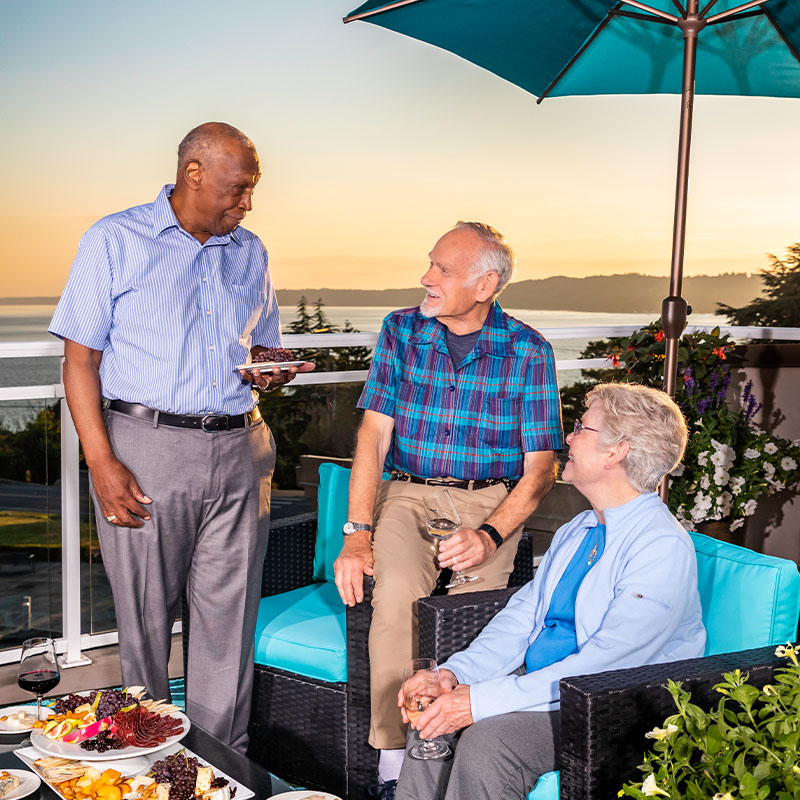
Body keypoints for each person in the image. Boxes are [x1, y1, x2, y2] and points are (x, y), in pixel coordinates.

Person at [48, 122, 313, 753]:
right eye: (238, 188)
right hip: (147, 447)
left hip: (242, 447)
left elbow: (261, 340)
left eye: (252, 190)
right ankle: (148, 756)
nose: (247, 203)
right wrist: (101, 461)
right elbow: (79, 359)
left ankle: (217, 766)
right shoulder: (115, 239)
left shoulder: (251, 251)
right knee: (144, 621)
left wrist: (270, 366)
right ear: (193, 173)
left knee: (227, 622)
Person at [333, 222, 563, 794]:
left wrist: (490, 533)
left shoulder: (529, 350)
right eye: (429, 264)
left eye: (442, 270)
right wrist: (357, 535)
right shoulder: (402, 330)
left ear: (486, 284)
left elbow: (542, 469)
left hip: (489, 498)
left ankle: (451, 752)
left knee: (477, 620)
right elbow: (373, 437)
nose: (426, 279)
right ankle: (393, 767)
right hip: (408, 492)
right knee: (395, 602)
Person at [394, 382, 707, 800]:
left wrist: (481, 701)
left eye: (581, 428)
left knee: (492, 742)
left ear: (617, 451)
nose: (567, 438)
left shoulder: (661, 547)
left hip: (608, 705)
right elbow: (524, 617)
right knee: (432, 713)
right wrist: (454, 675)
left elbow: (607, 664)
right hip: (544, 684)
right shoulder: (579, 529)